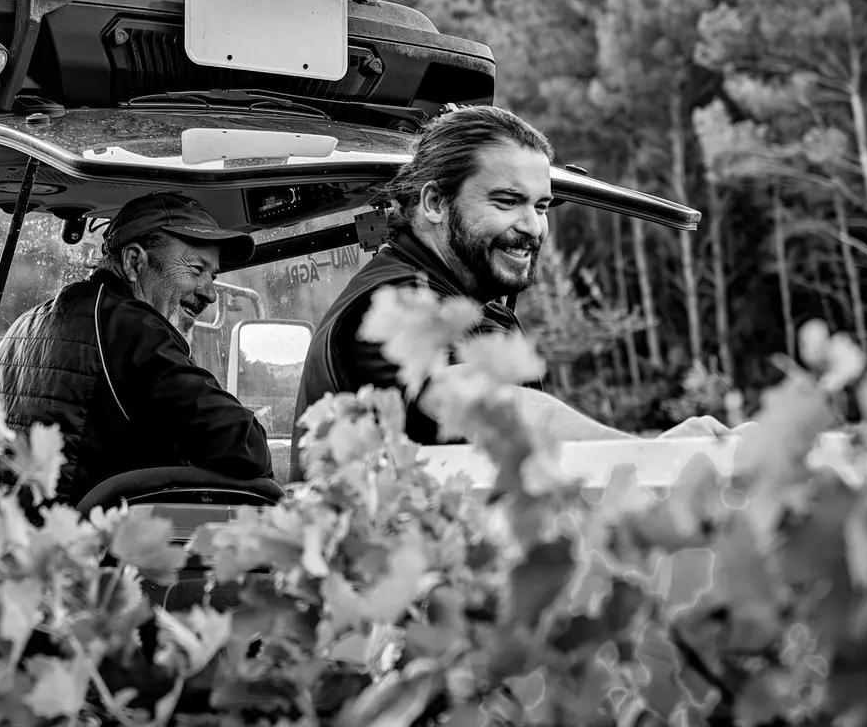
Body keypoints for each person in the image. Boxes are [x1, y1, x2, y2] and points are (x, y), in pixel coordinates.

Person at [288, 105, 727, 480]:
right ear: (435, 204)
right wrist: (647, 457)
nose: (533, 228)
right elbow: (483, 403)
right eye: (506, 202)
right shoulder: (387, 306)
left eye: (540, 206)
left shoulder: (468, 306)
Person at [0, 190, 274, 506]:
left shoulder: (23, 326)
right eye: (196, 269)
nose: (210, 293)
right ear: (135, 262)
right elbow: (245, 446)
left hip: (13, 546)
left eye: (213, 276)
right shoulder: (132, 328)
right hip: (93, 549)